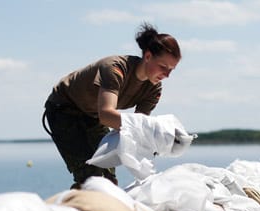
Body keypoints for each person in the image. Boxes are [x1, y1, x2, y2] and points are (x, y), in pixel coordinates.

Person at [42, 22, 181, 189]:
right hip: (63, 109)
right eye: (163, 67)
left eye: (172, 69)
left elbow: (138, 127)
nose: (166, 75)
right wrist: (149, 128)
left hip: (92, 117)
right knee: (90, 178)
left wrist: (158, 141)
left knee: (108, 179)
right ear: (148, 56)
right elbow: (107, 115)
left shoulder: (154, 89)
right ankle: (74, 210)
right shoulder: (116, 69)